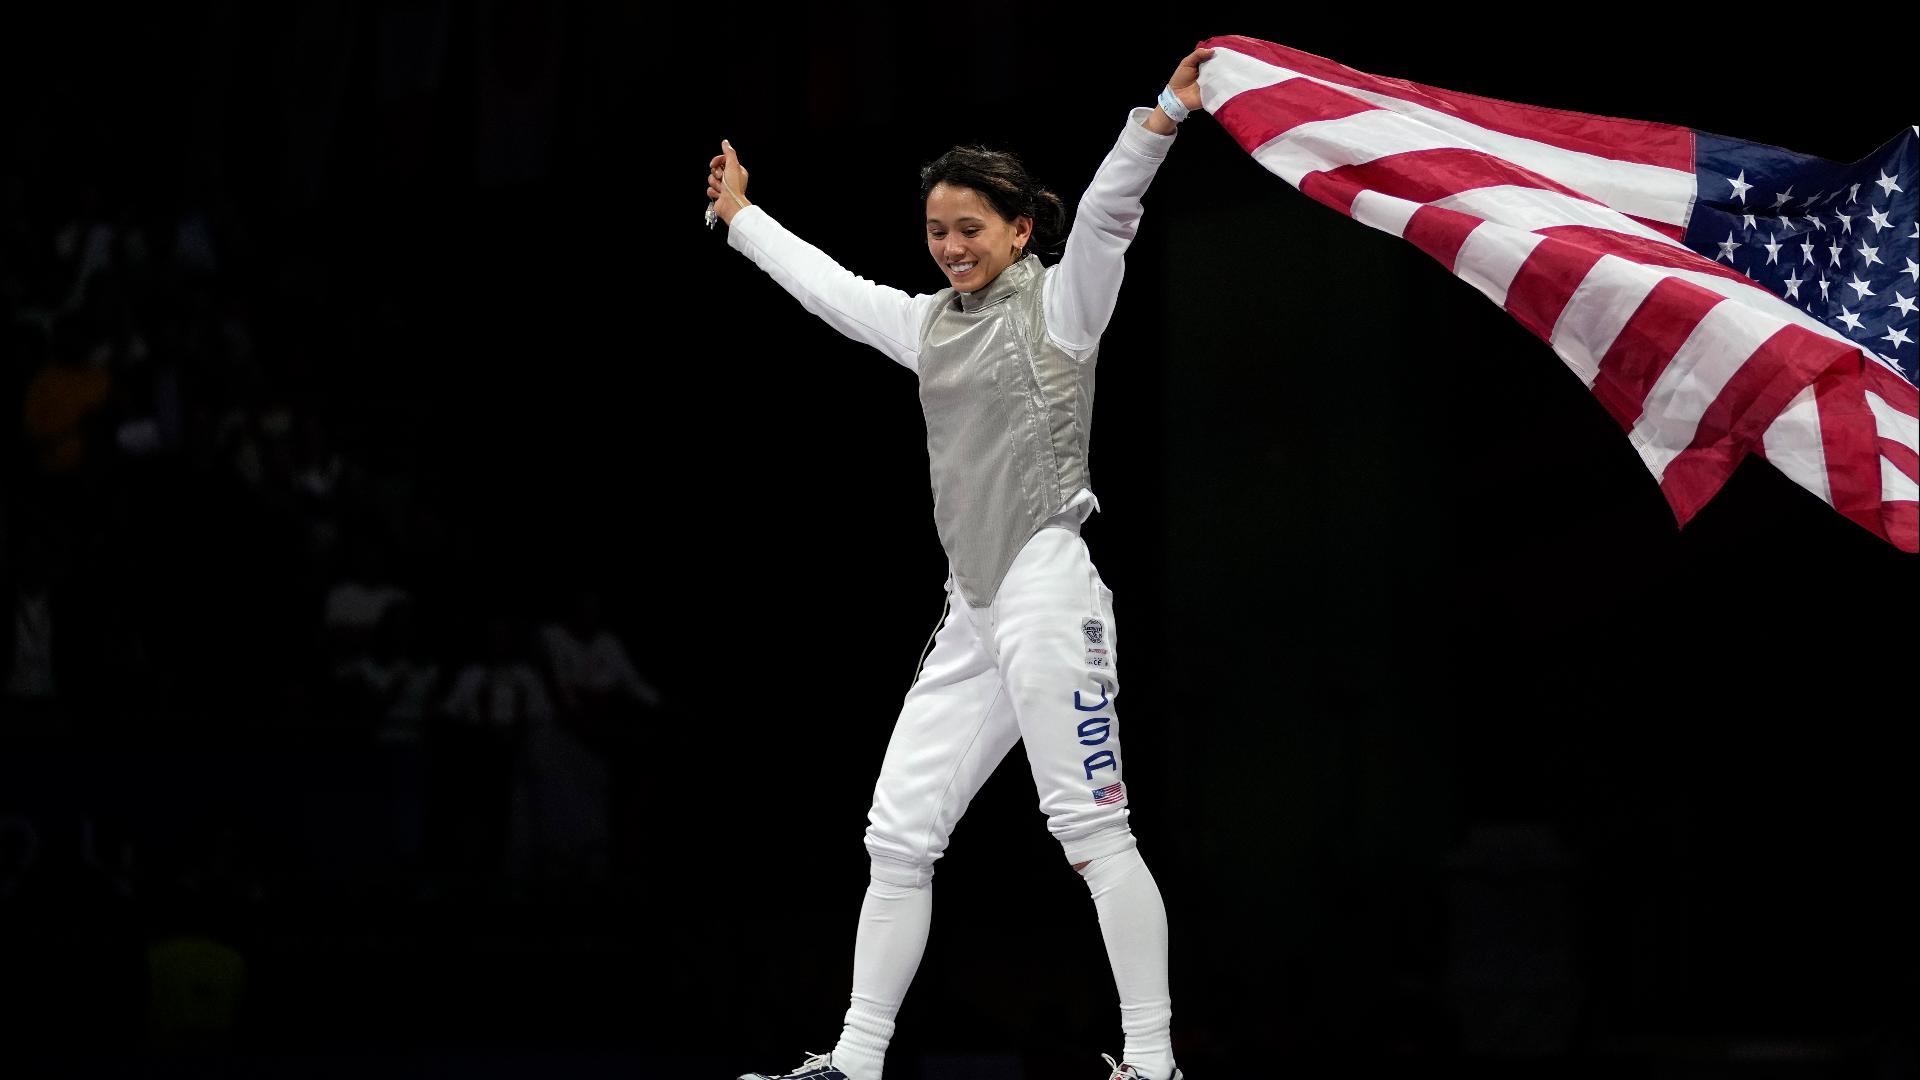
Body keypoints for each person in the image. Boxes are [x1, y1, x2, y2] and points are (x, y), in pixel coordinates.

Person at [707, 47, 1214, 1080]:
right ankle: (855, 1058)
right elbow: (832, 291)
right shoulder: (928, 327)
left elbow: (1112, 213)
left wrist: (1158, 118)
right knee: (897, 833)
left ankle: (1155, 1063)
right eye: (937, 232)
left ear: (1020, 227)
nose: (950, 248)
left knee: (1091, 831)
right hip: (974, 605)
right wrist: (742, 218)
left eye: (970, 230)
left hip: (1046, 585)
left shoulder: (1063, 311)